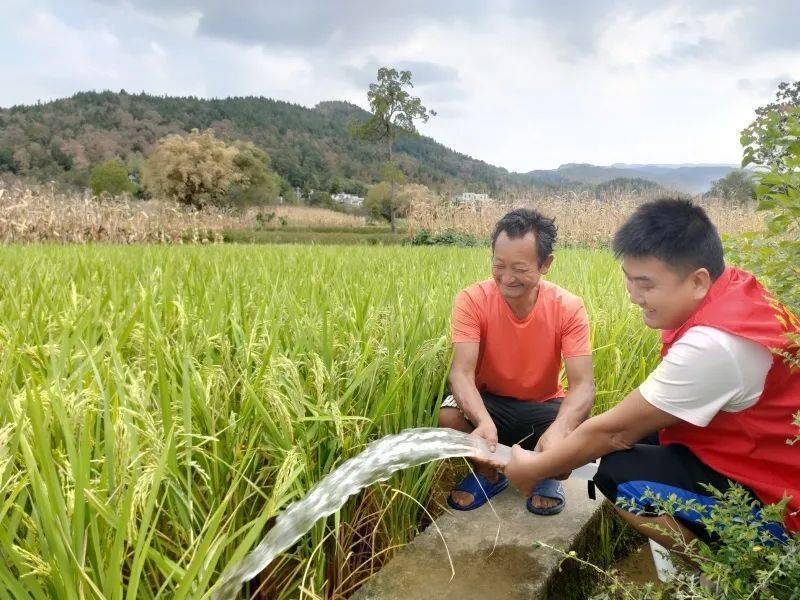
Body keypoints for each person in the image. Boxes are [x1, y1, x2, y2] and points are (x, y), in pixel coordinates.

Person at [477, 198, 800, 545]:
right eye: (629, 280)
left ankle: (718, 575)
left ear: (698, 281)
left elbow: (613, 432)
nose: (634, 296)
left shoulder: (715, 344)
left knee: (620, 474)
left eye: (646, 284)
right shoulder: (734, 288)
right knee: (645, 434)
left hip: (781, 502)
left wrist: (533, 469)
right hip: (765, 454)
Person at [439, 208, 595, 514]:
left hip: (543, 405)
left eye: (520, 269)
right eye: (499, 265)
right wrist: (482, 421)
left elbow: (583, 385)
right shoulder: (472, 300)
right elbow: (461, 373)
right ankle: (489, 474)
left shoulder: (568, 307)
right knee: (448, 416)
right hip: (490, 403)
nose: (507, 279)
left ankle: (545, 474)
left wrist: (560, 428)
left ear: (546, 263)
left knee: (576, 431)